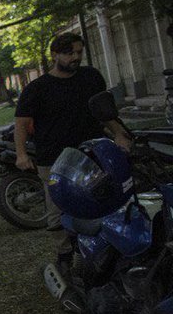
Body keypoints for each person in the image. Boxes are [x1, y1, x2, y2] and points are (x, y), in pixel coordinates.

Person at [14, 32, 131, 229]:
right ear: (54, 55)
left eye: (78, 52)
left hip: (93, 153)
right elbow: (21, 123)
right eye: (69, 53)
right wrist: (21, 154)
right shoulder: (36, 89)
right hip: (54, 159)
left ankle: (105, 249)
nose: (75, 57)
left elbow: (103, 112)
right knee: (59, 211)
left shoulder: (91, 77)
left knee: (106, 200)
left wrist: (119, 133)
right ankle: (65, 256)